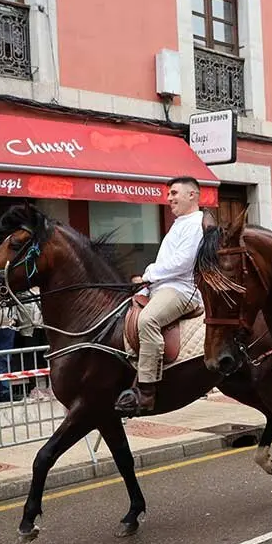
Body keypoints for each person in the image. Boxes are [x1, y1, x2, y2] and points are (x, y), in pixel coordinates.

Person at [114, 177, 206, 416]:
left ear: (192, 195)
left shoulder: (197, 224)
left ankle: (147, 391)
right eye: (169, 194)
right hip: (161, 287)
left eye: (175, 193)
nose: (169, 198)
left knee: (148, 320)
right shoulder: (179, 223)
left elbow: (183, 263)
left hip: (182, 290)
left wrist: (149, 274)